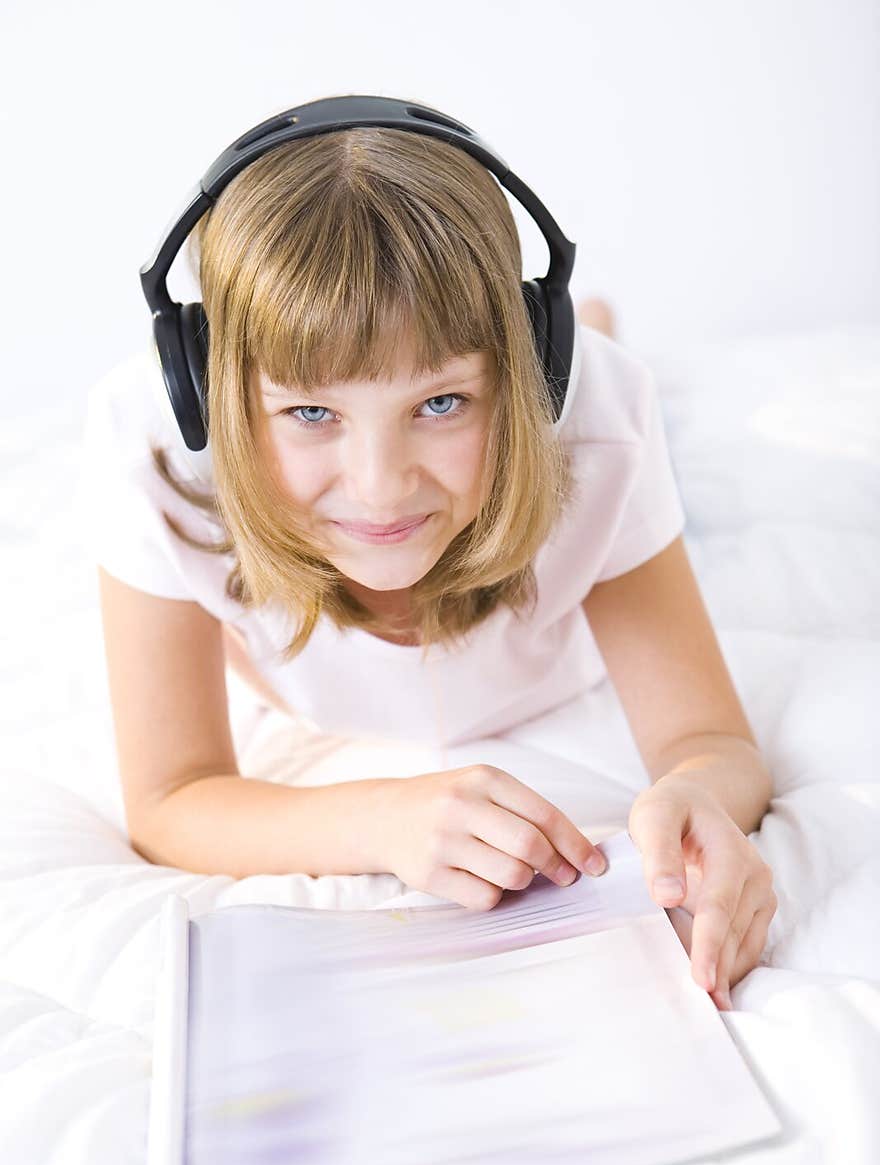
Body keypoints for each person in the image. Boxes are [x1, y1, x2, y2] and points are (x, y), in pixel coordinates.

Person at [80, 122, 776, 1013]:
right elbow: (170, 794)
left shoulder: (596, 420)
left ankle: (595, 322)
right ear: (205, 385)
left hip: (589, 439)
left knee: (644, 408)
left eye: (441, 401)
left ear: (533, 368)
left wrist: (695, 797)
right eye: (310, 413)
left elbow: (711, 745)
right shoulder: (154, 454)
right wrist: (380, 817)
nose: (379, 490)